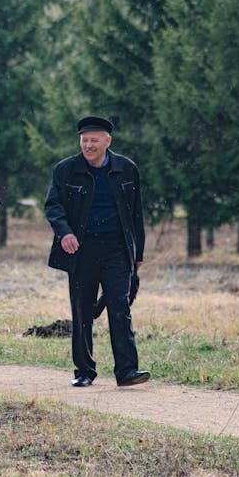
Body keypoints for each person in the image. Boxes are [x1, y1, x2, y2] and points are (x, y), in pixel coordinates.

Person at [44, 115, 149, 387]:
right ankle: (84, 371)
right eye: (84, 140)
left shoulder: (127, 169)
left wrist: (138, 254)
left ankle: (127, 371)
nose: (88, 145)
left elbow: (136, 214)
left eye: (94, 140)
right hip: (81, 251)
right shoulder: (65, 170)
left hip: (117, 250)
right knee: (82, 311)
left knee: (120, 307)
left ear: (107, 141)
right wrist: (64, 232)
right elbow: (53, 206)